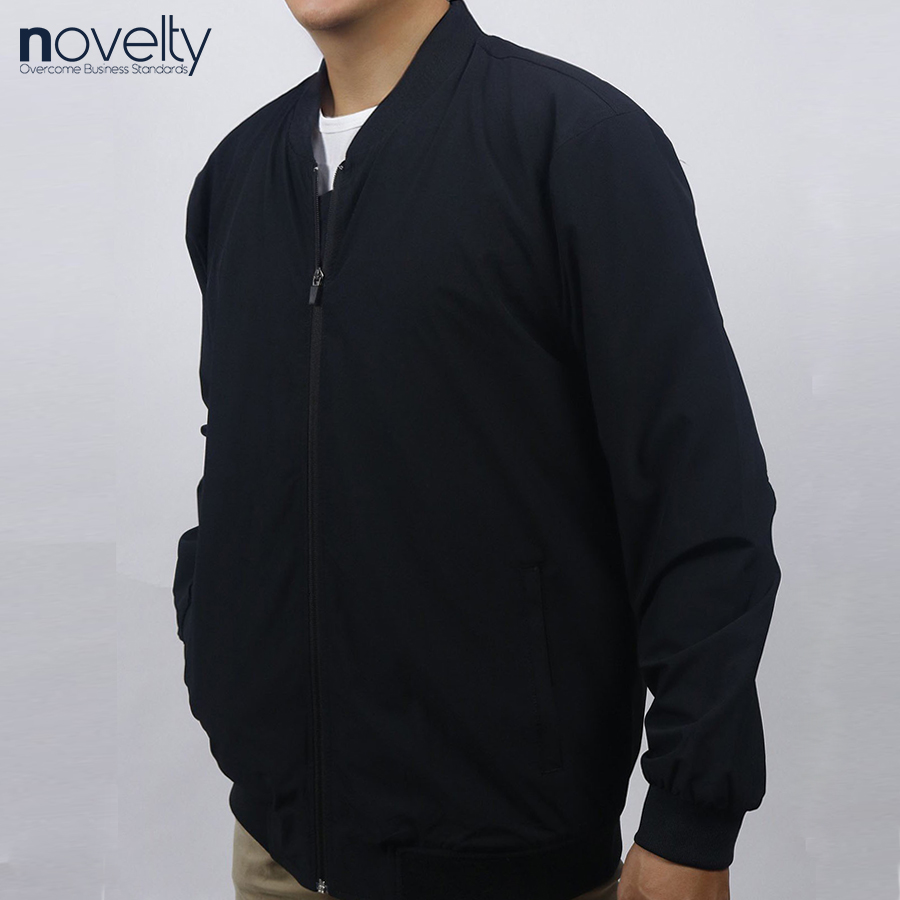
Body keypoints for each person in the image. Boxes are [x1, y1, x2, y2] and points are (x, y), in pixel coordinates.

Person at [172, 1, 782, 898]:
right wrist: (214, 634)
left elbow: (698, 492)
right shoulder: (235, 176)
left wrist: (692, 820)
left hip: (508, 864)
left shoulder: (576, 144)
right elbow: (240, 451)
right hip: (277, 850)